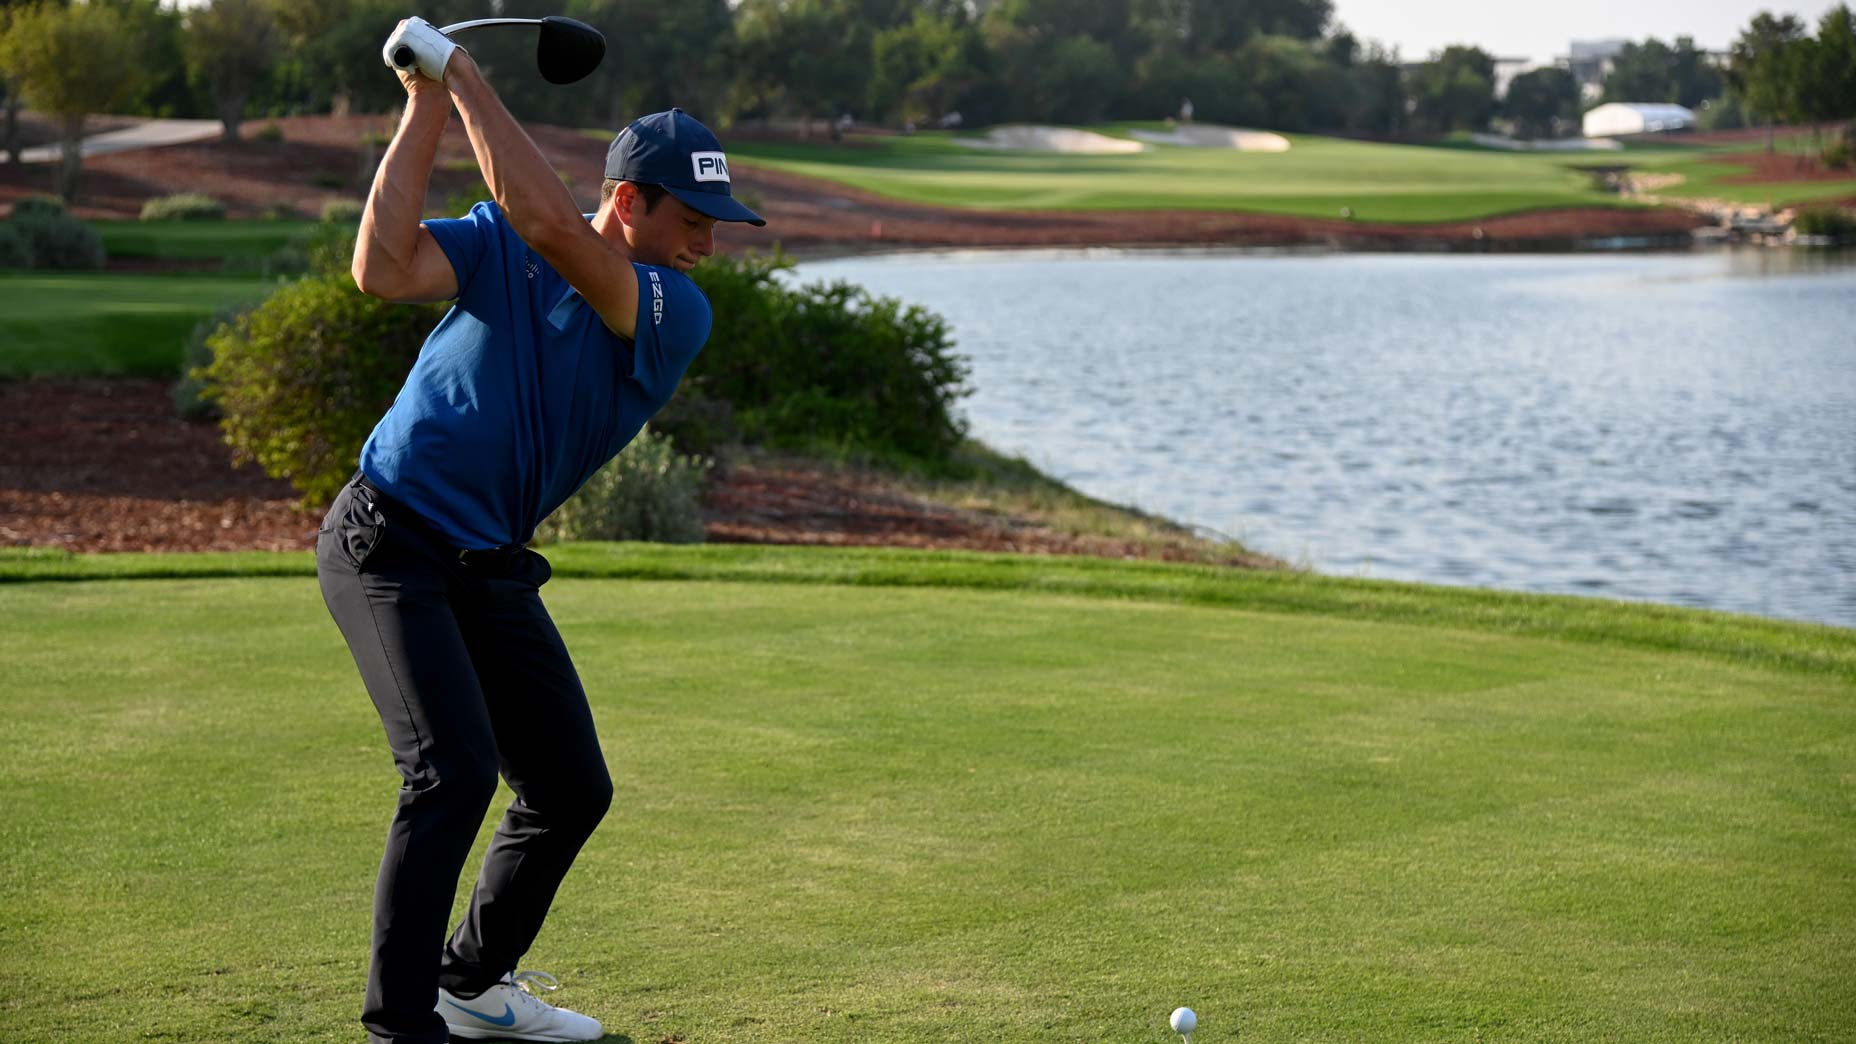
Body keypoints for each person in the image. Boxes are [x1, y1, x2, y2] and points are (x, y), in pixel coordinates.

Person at [316, 17, 764, 1044]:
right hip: (385, 539)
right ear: (628, 200)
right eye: (693, 218)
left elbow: (553, 231)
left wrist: (461, 71)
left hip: (485, 565)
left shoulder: (670, 310)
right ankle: (402, 1026)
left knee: (568, 787)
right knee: (454, 773)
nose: (707, 243)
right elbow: (382, 269)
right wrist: (428, 101)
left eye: (716, 223)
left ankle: (470, 981)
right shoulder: (497, 242)